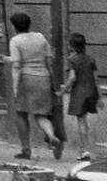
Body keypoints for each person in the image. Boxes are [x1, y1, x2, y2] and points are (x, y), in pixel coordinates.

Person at [10, 11, 64, 160]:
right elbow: (49, 62)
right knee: (41, 114)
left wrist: (15, 87)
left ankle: (26, 149)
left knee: (21, 113)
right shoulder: (41, 38)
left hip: (26, 79)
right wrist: (53, 82)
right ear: (29, 24)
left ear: (14, 26)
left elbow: (16, 65)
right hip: (44, 78)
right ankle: (52, 135)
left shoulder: (15, 41)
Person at [63, 33, 100, 160]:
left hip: (79, 93)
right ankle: (85, 148)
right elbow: (96, 79)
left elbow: (72, 78)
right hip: (91, 92)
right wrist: (99, 97)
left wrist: (63, 91)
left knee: (81, 122)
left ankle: (85, 150)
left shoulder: (71, 59)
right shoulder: (90, 59)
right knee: (85, 121)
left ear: (72, 46)